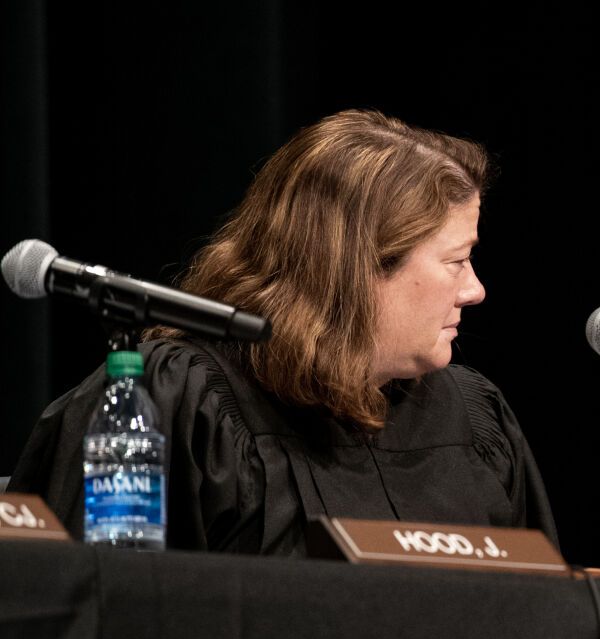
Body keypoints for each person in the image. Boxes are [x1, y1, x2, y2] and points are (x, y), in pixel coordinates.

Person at [10, 108, 559, 555]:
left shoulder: (474, 418)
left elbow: (542, 629)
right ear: (361, 267)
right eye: (457, 261)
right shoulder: (181, 402)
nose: (476, 290)